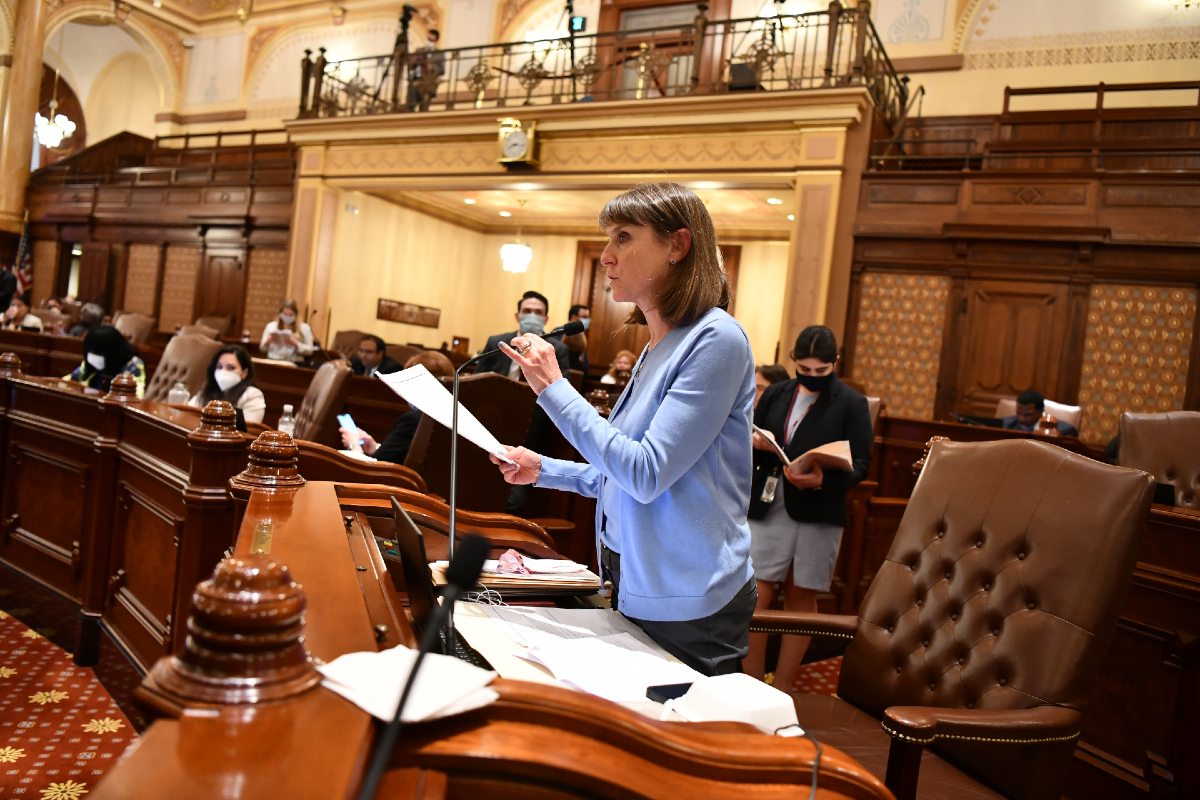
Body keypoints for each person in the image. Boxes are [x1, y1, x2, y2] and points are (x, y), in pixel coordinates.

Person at [489, 182, 758, 676]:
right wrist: (543, 468)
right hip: (633, 579)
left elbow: (645, 473)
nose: (606, 257)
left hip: (689, 599)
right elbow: (622, 474)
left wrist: (554, 388)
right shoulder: (659, 346)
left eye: (623, 238)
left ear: (677, 246)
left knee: (679, 745)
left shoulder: (716, 339)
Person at [742, 326, 873, 688]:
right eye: (805, 369)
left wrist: (823, 480)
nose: (812, 377)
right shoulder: (779, 392)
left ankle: (784, 684)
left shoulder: (851, 402)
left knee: (802, 595)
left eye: (821, 371)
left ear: (835, 364)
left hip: (819, 508)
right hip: (772, 502)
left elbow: (861, 463)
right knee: (757, 591)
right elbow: (757, 434)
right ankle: (752, 679)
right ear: (794, 363)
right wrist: (758, 442)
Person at [340, 351, 454, 464]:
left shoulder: (414, 421)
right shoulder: (454, 416)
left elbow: (372, 470)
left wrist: (354, 445)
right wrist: (376, 447)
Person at [475, 291, 570, 380]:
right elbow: (477, 379)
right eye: (527, 311)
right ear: (517, 316)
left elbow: (562, 388)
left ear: (546, 320)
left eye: (538, 312)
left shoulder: (558, 350)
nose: (532, 316)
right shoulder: (496, 343)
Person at [187, 345, 266, 424]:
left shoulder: (252, 395)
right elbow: (188, 413)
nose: (223, 371)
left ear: (244, 373)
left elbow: (249, 429)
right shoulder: (207, 390)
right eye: (219, 367)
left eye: (231, 368)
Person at [65, 325, 146, 398]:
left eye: (96, 352)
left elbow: (135, 397)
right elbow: (67, 381)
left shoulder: (133, 365)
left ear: (111, 351)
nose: (92, 355)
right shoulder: (91, 364)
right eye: (89, 351)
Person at [1002, 389, 1079, 437]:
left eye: (1028, 415)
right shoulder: (1006, 424)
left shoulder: (1065, 431)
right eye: (1019, 413)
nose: (1021, 419)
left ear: (1041, 411)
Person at [260, 299, 314, 363]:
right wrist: (268, 342)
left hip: (294, 362)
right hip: (273, 360)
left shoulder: (304, 328)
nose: (287, 317)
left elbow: (310, 350)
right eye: (285, 314)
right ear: (280, 314)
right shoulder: (271, 326)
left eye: (291, 315)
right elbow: (262, 349)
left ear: (296, 315)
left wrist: (297, 344)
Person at [407, 28, 444, 111]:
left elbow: (442, 70)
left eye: (431, 40)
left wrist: (431, 64)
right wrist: (415, 60)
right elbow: (410, 65)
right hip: (416, 79)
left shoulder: (439, 54)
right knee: (410, 104)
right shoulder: (419, 50)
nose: (429, 41)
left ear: (435, 40)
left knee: (423, 106)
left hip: (428, 82)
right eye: (428, 39)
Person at [564, 304, 590, 376]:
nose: (587, 320)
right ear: (573, 318)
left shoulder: (582, 334)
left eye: (588, 317)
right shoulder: (558, 332)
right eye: (584, 317)